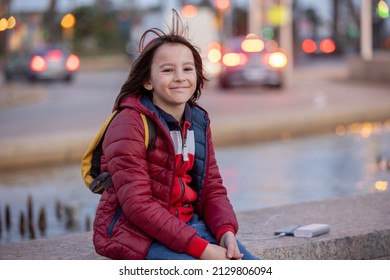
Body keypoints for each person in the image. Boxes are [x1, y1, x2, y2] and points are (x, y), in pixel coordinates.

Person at [92, 10, 258, 260]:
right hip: (136, 235)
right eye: (168, 70)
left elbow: (212, 188)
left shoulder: (198, 121)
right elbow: (137, 206)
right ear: (148, 81)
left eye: (187, 69)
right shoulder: (129, 123)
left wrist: (225, 231)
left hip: (188, 225)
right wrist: (202, 249)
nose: (180, 78)